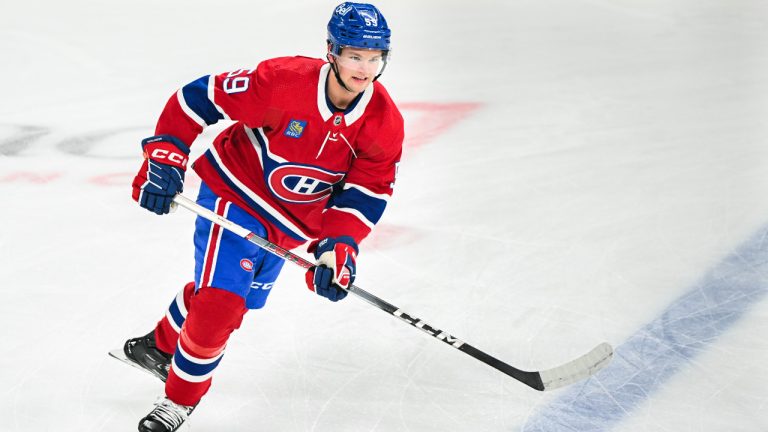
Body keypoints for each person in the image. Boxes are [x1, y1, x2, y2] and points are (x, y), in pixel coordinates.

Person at [118, 3, 403, 431]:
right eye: (354, 55)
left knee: (234, 302)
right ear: (332, 51)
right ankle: (178, 402)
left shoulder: (383, 123)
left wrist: (338, 246)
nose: (364, 68)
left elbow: (367, 190)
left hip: (292, 225)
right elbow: (199, 97)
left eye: (374, 57)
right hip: (235, 192)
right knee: (221, 303)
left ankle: (159, 347)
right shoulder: (282, 82)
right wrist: (166, 154)